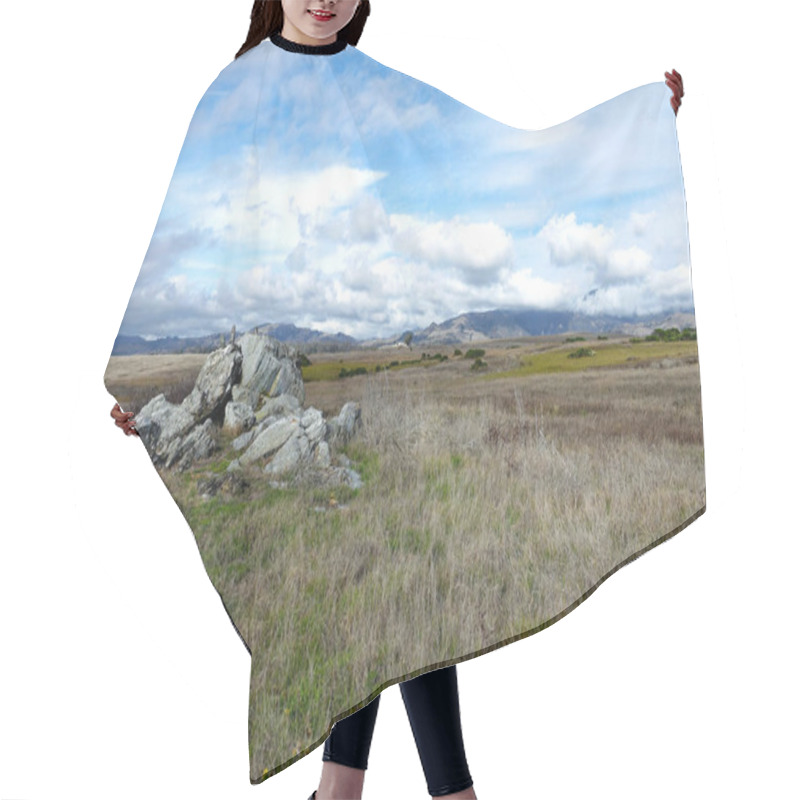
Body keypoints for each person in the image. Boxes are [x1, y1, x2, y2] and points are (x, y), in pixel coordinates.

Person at [110, 2, 685, 798]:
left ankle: (351, 791)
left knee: (396, 590)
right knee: (373, 601)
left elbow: (481, 163)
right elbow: (202, 246)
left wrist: (641, 124)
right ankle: (423, 793)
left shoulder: (377, 87)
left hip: (366, 393)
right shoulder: (233, 92)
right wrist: (163, 403)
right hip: (297, 379)